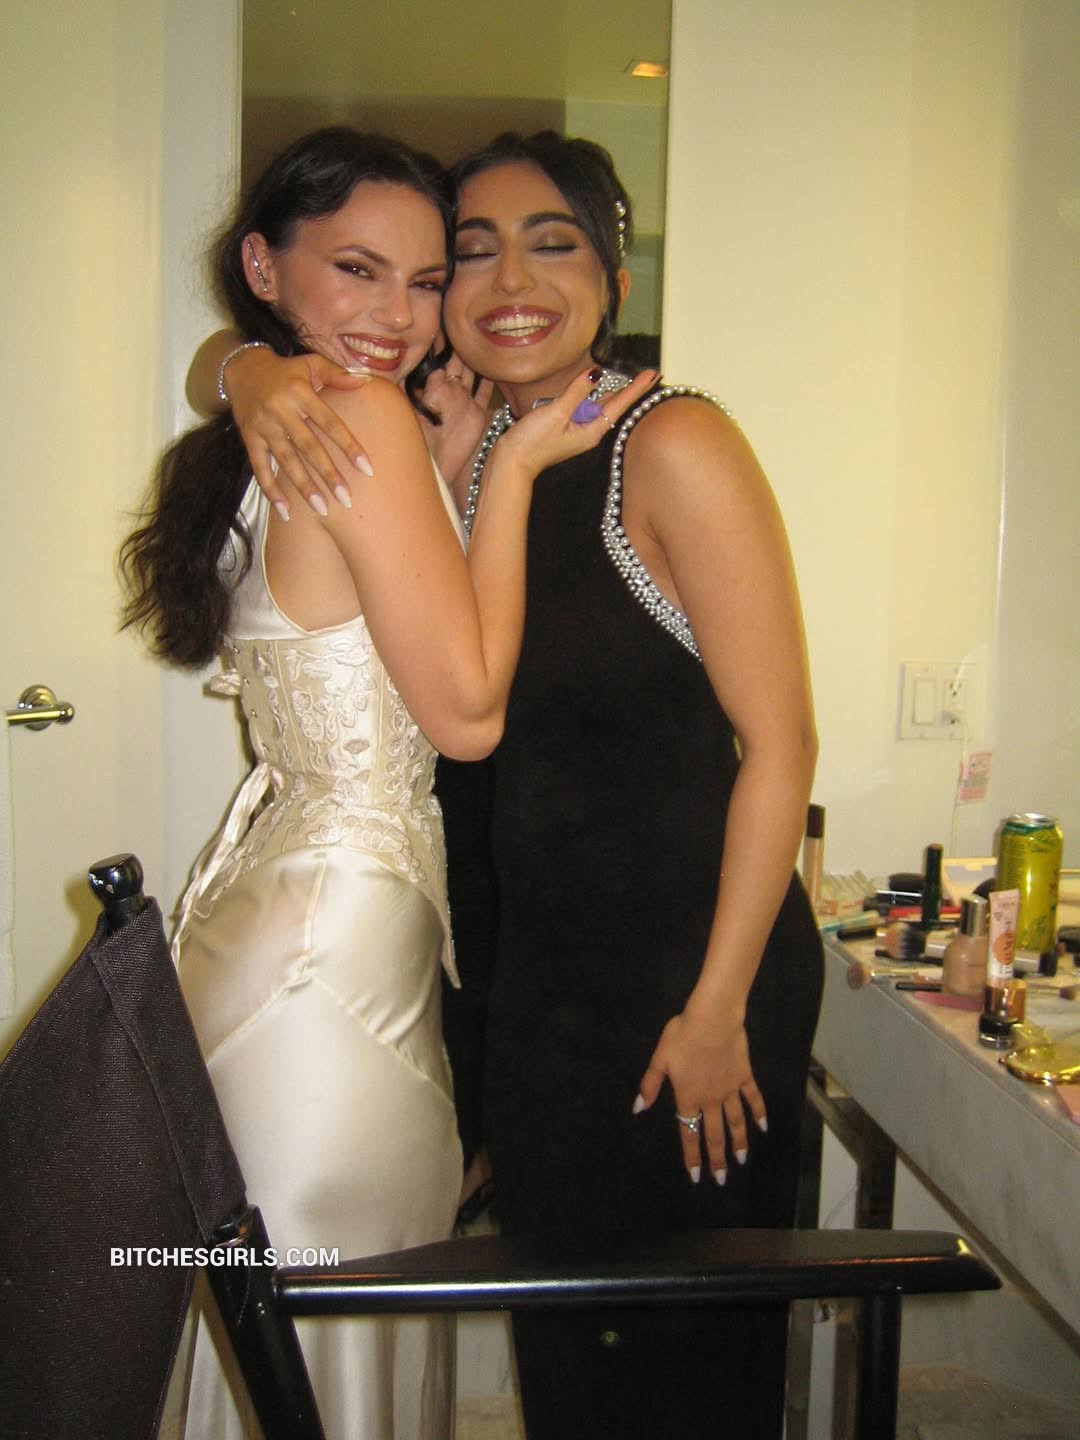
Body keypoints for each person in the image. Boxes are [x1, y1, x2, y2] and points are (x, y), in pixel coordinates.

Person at [190, 129, 823, 1440]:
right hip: (541, 988)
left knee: (688, 1364)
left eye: (553, 244)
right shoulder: (464, 445)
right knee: (568, 1361)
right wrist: (244, 367)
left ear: (615, 278)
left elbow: (783, 748)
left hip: (691, 975)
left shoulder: (673, 442)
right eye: (469, 257)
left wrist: (719, 1008)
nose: (507, 284)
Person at [119, 126, 654, 1440]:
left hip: (278, 911)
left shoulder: (283, 413)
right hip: (332, 945)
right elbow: (465, 716)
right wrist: (510, 474)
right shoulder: (350, 415)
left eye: (423, 281)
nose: (399, 319)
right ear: (263, 265)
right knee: (334, 1320)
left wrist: (251, 367)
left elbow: (370, 611)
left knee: (277, 1316)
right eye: (356, 270)